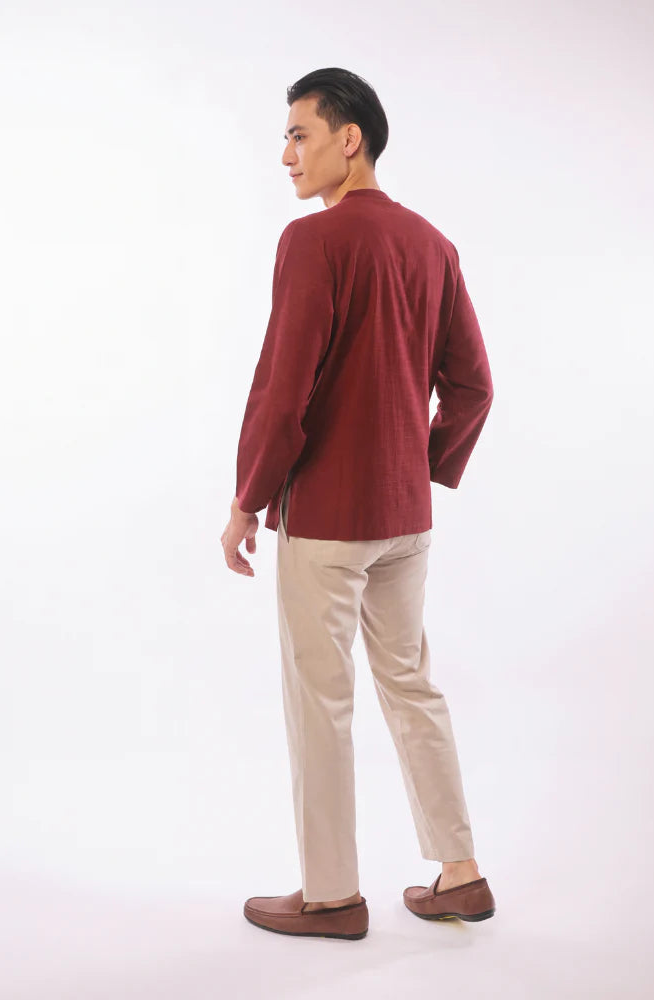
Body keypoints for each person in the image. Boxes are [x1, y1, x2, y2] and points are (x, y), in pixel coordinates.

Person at [220, 67, 496, 940]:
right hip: (405, 520)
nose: (286, 155)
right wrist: (418, 467)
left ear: (351, 139)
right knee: (411, 685)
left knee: (321, 699)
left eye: (299, 134)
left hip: (329, 520)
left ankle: (332, 896)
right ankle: (460, 872)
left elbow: (283, 390)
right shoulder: (433, 245)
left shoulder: (314, 242)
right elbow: (474, 387)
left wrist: (247, 500)